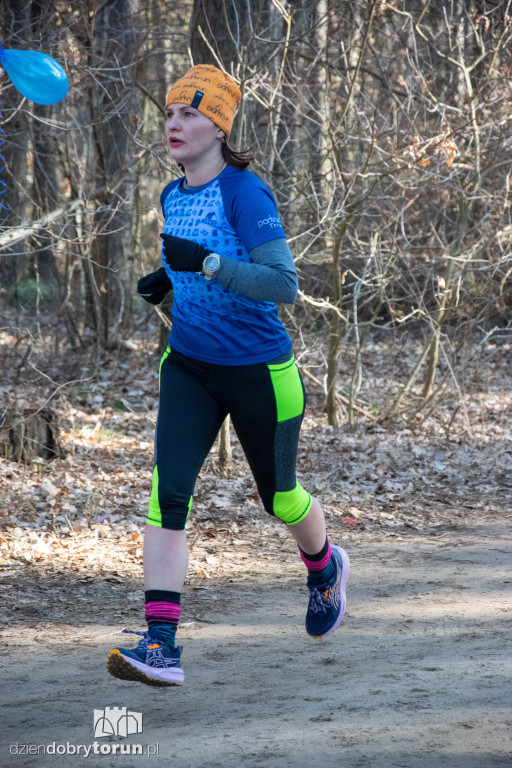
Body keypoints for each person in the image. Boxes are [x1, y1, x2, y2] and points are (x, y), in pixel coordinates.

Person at [107, 65, 350, 687]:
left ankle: (323, 567)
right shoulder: (171, 193)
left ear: (218, 125)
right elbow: (185, 256)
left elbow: (283, 284)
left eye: (188, 114)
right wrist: (169, 279)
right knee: (168, 499)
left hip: (258, 372)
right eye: (169, 114)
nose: (173, 124)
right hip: (188, 365)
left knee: (280, 498)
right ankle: (160, 645)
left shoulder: (245, 193)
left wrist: (209, 264)